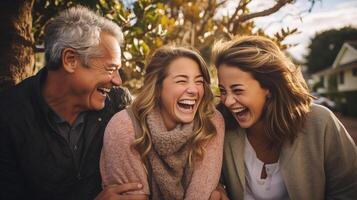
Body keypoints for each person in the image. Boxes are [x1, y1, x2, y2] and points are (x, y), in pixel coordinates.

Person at [0, 6, 144, 200]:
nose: (118, 80)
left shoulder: (117, 105)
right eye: (111, 69)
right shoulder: (8, 117)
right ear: (70, 60)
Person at [212, 35, 357, 200]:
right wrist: (218, 188)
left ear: (269, 88)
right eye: (223, 91)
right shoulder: (223, 128)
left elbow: (348, 190)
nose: (228, 101)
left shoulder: (321, 123)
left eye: (237, 90)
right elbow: (209, 176)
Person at [100, 46, 225, 200]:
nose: (193, 89)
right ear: (158, 88)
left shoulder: (210, 121)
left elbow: (200, 195)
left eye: (199, 81)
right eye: (181, 81)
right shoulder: (125, 127)